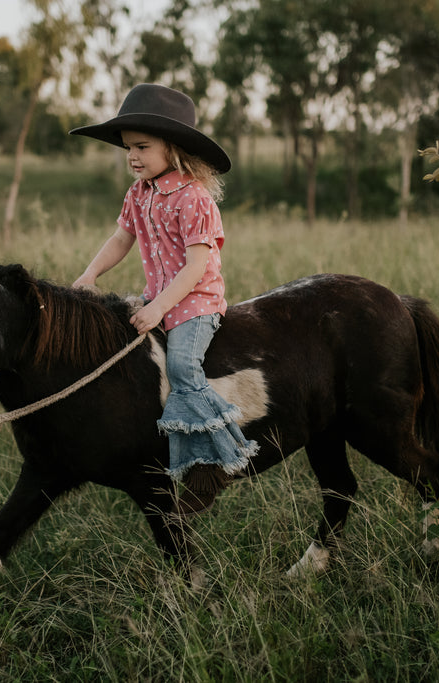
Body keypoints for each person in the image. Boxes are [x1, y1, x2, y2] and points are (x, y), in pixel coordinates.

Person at [70, 83, 258, 515]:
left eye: (141, 147)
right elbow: (121, 238)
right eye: (127, 149)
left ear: (171, 147)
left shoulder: (194, 198)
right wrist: (90, 274)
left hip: (195, 302)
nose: (132, 157)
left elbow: (195, 268)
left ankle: (225, 453)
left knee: (181, 365)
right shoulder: (139, 194)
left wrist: (157, 308)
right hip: (158, 297)